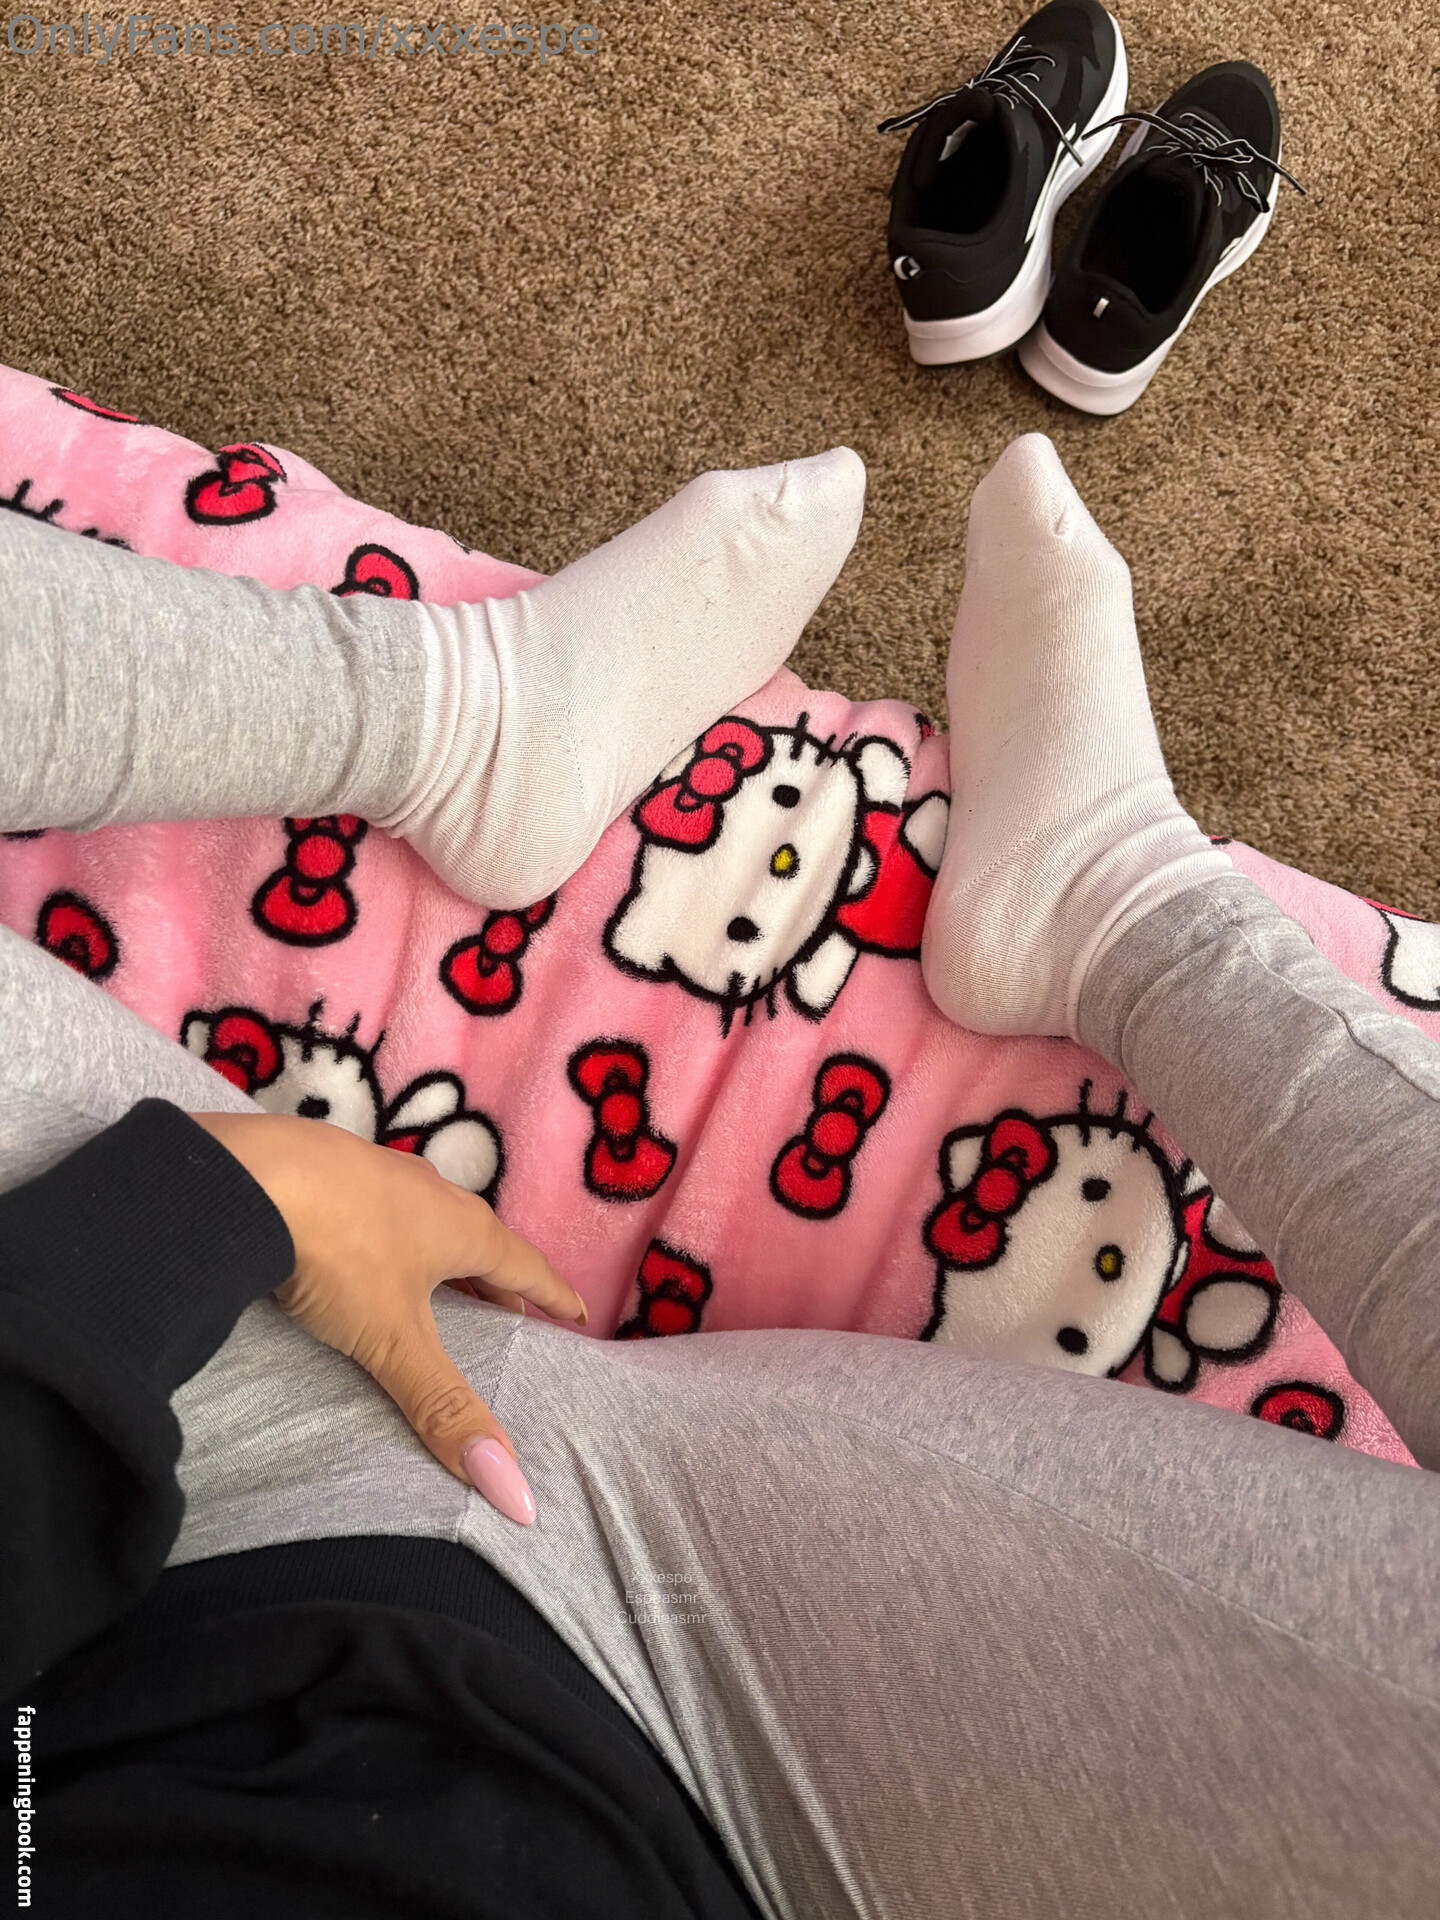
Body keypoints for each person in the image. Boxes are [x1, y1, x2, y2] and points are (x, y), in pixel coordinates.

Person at [1, 435, 1437, 1919]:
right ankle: (1124, 911)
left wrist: (193, 1215)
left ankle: (468, 718)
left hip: (140, 1521)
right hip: (775, 1798)